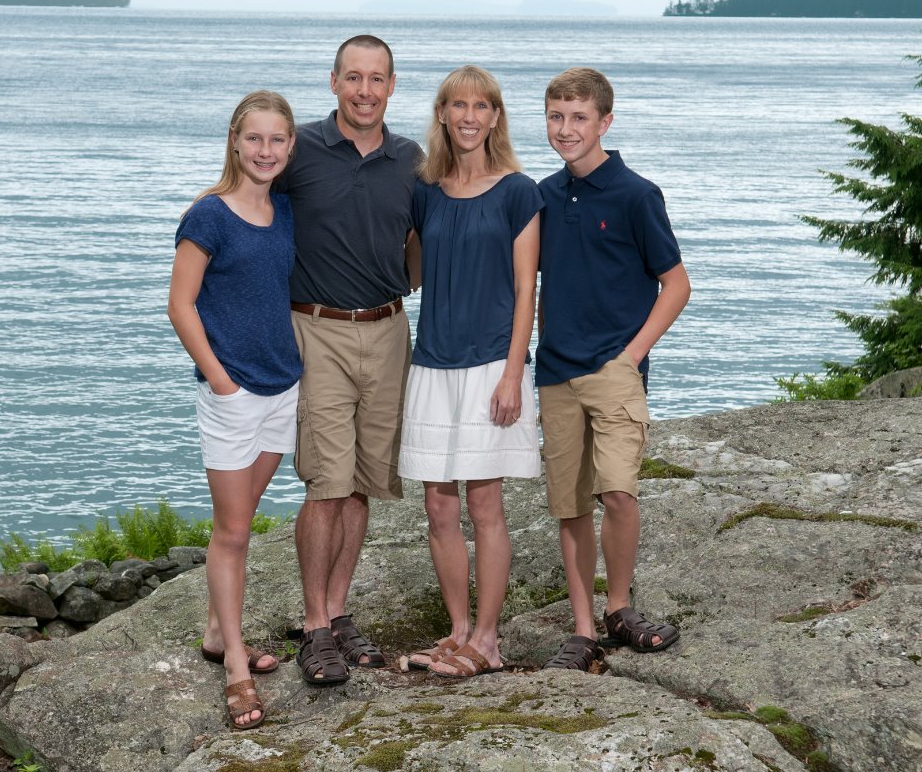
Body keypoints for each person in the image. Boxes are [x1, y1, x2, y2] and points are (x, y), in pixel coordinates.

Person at [535, 68, 691, 671]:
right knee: (570, 505)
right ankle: (582, 628)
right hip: (555, 373)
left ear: (605, 121)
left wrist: (630, 356)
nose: (566, 129)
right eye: (555, 116)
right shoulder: (542, 196)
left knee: (618, 492)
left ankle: (619, 608)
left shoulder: (635, 194)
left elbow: (675, 285)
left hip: (614, 369)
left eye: (578, 117)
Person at [283, 35, 422, 686]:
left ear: (392, 85)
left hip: (391, 328)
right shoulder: (300, 149)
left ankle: (338, 613)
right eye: (353, 78)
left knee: (363, 482)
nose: (365, 90)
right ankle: (313, 628)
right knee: (326, 482)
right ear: (333, 81)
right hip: (319, 330)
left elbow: (422, 247)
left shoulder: (411, 160)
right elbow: (244, 198)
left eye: (377, 79)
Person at [399, 65, 543, 678]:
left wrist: (512, 375)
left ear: (495, 117)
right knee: (437, 506)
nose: (468, 116)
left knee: (485, 503)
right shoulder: (424, 191)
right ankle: (457, 630)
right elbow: (410, 276)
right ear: (442, 114)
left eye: (481, 106)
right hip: (431, 363)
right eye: (457, 105)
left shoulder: (518, 191)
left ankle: (488, 639)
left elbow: (525, 289)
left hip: (492, 364)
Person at [167, 90, 301, 728]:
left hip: (285, 387)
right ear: (235, 141)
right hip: (233, 395)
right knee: (235, 531)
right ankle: (236, 669)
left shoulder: (287, 212)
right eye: (255, 139)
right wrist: (221, 381)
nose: (266, 151)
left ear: (290, 146)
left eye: (277, 140)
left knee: (243, 518)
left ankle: (219, 633)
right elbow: (180, 305)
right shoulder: (208, 216)